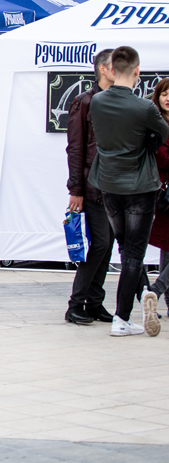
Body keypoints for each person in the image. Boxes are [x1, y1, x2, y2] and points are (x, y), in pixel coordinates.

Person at [90, 46, 169, 337]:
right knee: (133, 254)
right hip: (139, 186)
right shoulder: (144, 107)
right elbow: (164, 132)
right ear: (137, 71)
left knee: (126, 250)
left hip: (109, 184)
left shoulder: (96, 101)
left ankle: (145, 295)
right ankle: (122, 317)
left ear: (110, 68)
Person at [145, 78, 169, 330]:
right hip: (162, 193)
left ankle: (157, 295)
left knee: (167, 244)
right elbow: (160, 156)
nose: (168, 97)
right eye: (164, 93)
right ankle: (156, 291)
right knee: (165, 241)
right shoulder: (155, 123)